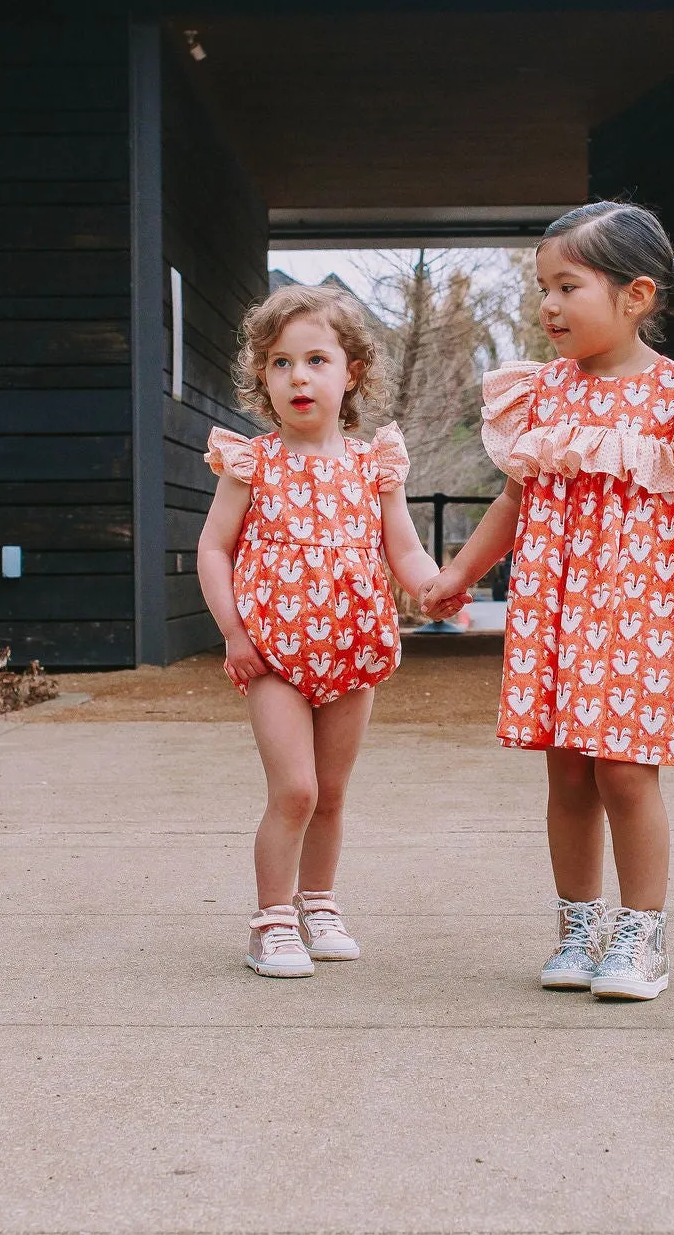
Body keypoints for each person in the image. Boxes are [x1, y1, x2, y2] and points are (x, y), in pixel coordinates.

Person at [420, 202, 674, 1001]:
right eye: (542, 287)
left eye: (566, 286)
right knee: (569, 773)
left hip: (640, 612)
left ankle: (641, 935)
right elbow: (515, 503)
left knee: (624, 772)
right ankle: (578, 926)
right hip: (554, 608)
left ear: (636, 294)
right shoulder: (536, 396)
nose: (547, 304)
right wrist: (459, 572)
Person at [198, 283, 442, 978]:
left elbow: (405, 550)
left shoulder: (374, 466)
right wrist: (233, 632)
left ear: (351, 371)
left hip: (352, 648)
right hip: (271, 652)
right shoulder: (253, 463)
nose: (297, 376)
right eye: (279, 363)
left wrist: (435, 586)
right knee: (296, 791)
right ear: (262, 377)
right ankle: (271, 921)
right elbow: (213, 549)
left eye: (315, 359)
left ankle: (319, 903)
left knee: (331, 793)